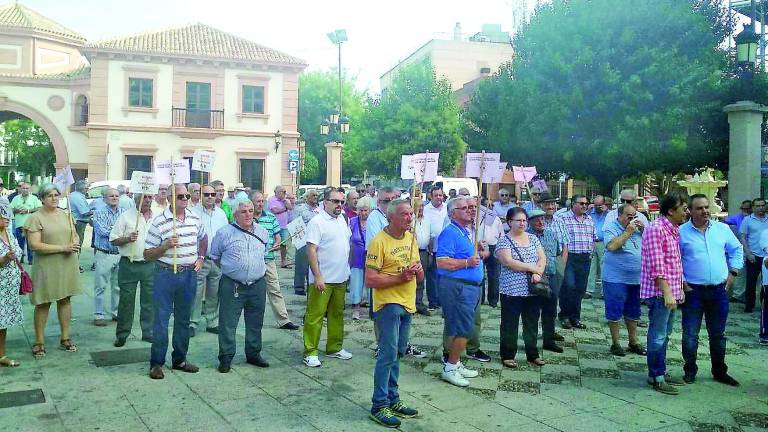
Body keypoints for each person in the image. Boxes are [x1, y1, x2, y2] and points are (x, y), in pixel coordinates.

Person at [366, 199, 422, 427]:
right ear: (391, 218)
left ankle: (393, 398)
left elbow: (420, 275)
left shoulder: (411, 238)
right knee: (387, 354)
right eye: (404, 214)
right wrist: (399, 277)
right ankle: (379, 404)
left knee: (398, 352)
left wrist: (418, 271)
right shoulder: (379, 241)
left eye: (411, 213)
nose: (410, 218)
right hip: (388, 304)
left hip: (408, 303)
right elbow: (370, 279)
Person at [144, 184, 207, 380]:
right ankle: (156, 363)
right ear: (170, 198)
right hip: (165, 274)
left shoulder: (195, 218)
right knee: (161, 320)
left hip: (188, 275)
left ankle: (179, 359)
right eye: (180, 196)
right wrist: (164, 246)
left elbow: (203, 238)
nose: (185, 199)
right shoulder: (159, 222)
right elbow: (147, 254)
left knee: (183, 319)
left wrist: (201, 258)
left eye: (187, 195)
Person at [679, 194, 743, 386]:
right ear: (690, 210)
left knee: (718, 334)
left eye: (707, 207)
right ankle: (690, 369)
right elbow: (674, 259)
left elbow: (736, 249)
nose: (705, 211)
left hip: (718, 291)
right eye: (699, 208)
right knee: (690, 334)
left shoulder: (722, 229)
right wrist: (682, 282)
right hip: (693, 291)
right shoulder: (681, 232)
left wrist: (733, 272)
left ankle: (719, 371)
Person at [210, 198, 271, 373]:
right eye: (243, 211)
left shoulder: (262, 232)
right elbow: (215, 256)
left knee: (255, 322)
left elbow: (264, 254)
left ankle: (253, 354)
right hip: (232, 285)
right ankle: (226, 357)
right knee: (228, 323)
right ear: (235, 214)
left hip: (257, 284)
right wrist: (232, 271)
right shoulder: (224, 233)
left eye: (251, 211)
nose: (248, 215)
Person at [25, 183, 82, 358]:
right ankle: (39, 341)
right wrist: (63, 247)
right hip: (47, 265)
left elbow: (74, 234)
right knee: (44, 302)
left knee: (65, 299)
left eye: (56, 195)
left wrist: (76, 241)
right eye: (49, 195)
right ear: (41, 198)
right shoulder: (35, 217)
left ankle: (65, 337)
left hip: (67, 263)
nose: (54, 198)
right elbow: (34, 245)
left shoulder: (66, 214)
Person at [641, 191, 688, 395]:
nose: (686, 211)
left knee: (665, 334)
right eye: (683, 208)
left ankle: (659, 371)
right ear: (671, 210)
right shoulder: (656, 229)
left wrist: (681, 288)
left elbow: (674, 263)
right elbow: (657, 266)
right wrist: (668, 293)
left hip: (671, 292)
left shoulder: (673, 229)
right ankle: (656, 376)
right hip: (660, 293)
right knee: (658, 335)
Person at [436, 197, 485, 387]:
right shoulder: (449, 232)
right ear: (452, 213)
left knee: (460, 325)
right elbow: (442, 262)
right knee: (463, 327)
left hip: (469, 287)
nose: (470, 210)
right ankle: (450, 367)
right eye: (464, 208)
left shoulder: (465, 231)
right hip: (458, 286)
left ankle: (455, 362)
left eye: (471, 207)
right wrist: (466, 263)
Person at [302, 188, 353, 367]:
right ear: (326, 202)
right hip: (323, 278)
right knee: (315, 315)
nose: (339, 205)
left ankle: (334, 347)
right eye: (336, 201)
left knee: (337, 314)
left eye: (342, 201)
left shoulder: (342, 219)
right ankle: (310, 351)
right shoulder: (317, 222)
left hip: (340, 277)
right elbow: (311, 249)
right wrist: (317, 276)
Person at [495, 207, 547, 369]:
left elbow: (542, 258)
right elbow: (509, 262)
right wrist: (533, 268)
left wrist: (538, 272)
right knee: (509, 323)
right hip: (511, 290)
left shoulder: (533, 238)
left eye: (524, 220)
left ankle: (533, 354)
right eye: (518, 220)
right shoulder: (504, 241)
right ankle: (508, 355)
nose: (522, 223)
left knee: (531, 323)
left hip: (533, 289)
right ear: (510, 222)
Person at [110, 193, 155, 347]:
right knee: (126, 301)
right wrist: (127, 238)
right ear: (136, 199)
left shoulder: (157, 217)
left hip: (150, 264)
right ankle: (122, 334)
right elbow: (114, 239)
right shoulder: (125, 216)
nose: (148, 200)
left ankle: (148, 332)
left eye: (150, 197)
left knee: (149, 301)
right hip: (129, 263)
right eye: (144, 197)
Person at [602, 204, 646, 357]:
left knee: (633, 311)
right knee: (614, 310)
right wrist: (628, 231)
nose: (633, 219)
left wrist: (644, 230)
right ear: (619, 215)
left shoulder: (639, 228)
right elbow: (612, 246)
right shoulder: (611, 227)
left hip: (635, 278)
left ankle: (633, 341)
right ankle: (615, 343)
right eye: (629, 216)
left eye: (635, 216)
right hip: (615, 278)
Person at [251, 191, 299, 330]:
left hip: (268, 260)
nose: (260, 204)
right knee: (252, 293)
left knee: (275, 290)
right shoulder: (247, 217)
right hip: (251, 262)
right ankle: (253, 320)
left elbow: (277, 236)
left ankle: (284, 320)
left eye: (262, 201)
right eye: (257, 201)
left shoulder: (271, 218)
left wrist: (277, 243)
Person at [189, 185, 228, 336]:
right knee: (196, 292)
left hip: (217, 260)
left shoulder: (221, 214)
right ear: (201, 195)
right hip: (199, 259)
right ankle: (193, 322)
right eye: (206, 194)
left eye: (213, 194)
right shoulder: (193, 213)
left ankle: (212, 321)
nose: (210, 197)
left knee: (214, 292)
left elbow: (225, 234)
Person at [555, 194, 597, 329]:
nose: (584, 206)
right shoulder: (562, 218)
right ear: (573, 204)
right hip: (569, 257)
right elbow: (559, 238)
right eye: (581, 203)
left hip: (584, 258)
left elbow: (593, 237)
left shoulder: (589, 219)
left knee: (580, 289)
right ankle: (564, 316)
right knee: (569, 286)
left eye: (586, 203)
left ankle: (575, 317)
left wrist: (591, 253)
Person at [528, 208, 565, 353]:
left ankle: (549, 340)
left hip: (551, 275)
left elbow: (556, 252)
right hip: (533, 277)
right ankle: (530, 343)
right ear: (529, 222)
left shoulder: (551, 234)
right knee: (532, 311)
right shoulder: (527, 236)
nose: (540, 221)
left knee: (550, 310)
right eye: (536, 219)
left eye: (542, 218)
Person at [91, 188, 124, 325]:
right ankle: (98, 315)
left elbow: (130, 229)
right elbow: (102, 231)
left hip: (120, 254)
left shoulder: (124, 213)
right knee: (100, 286)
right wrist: (120, 232)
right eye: (111, 196)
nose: (114, 198)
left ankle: (116, 313)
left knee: (117, 286)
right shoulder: (98, 213)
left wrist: (117, 232)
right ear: (104, 198)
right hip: (104, 254)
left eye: (117, 195)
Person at [0, 202, 23, 367]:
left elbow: (18, 252)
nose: (7, 217)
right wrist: (4, 259)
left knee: (3, 322)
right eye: (3, 214)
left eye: (8, 214)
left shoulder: (8, 232)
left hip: (8, 287)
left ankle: (1, 355)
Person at [739, 198, 768, 313]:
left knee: (765, 282)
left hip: (767, 257)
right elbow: (743, 238)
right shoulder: (747, 220)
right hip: (754, 255)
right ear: (753, 207)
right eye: (758, 206)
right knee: (751, 282)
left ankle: (764, 304)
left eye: (762, 205)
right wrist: (748, 253)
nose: (760, 208)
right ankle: (749, 305)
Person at [423, 186, 447, 311]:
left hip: (446, 249)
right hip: (432, 248)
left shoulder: (448, 208)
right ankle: (433, 301)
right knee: (432, 276)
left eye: (440, 195)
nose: (439, 198)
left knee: (443, 276)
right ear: (430, 196)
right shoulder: (426, 210)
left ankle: (443, 300)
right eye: (436, 195)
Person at [293, 189, 321, 295]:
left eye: (317, 195)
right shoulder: (300, 209)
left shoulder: (319, 209)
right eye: (313, 195)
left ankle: (312, 285)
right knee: (301, 264)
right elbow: (295, 224)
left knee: (314, 263)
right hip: (303, 239)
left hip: (316, 240)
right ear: (307, 197)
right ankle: (299, 287)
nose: (315, 197)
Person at [349, 196, 371, 320]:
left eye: (365, 210)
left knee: (370, 284)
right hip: (356, 257)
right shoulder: (352, 221)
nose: (363, 213)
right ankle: (356, 309)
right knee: (356, 284)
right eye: (361, 210)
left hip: (371, 258)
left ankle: (372, 309)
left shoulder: (373, 222)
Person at [478, 202, 504, 307]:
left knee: (494, 275)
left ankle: (493, 300)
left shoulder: (496, 219)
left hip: (494, 247)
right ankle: (480, 299)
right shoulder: (476, 219)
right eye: (486, 206)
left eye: (491, 206)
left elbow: (501, 234)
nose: (489, 208)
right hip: (479, 247)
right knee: (480, 274)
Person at [10, 182, 41, 264]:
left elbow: (39, 208)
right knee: (20, 244)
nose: (25, 190)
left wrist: (27, 211)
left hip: (30, 225)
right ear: (20, 189)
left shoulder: (34, 198)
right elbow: (10, 209)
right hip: (19, 225)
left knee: (30, 244)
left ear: (29, 189)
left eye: (27, 188)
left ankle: (31, 260)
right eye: (23, 188)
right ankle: (20, 259)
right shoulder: (16, 198)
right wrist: (17, 210)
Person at [586, 195, 608, 299]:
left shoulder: (608, 214)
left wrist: (606, 211)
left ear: (604, 204)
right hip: (591, 241)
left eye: (600, 205)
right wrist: (588, 210)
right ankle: (589, 290)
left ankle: (604, 291)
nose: (597, 207)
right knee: (591, 266)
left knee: (604, 266)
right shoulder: (590, 212)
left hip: (603, 242)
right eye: (596, 205)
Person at [267, 185, 294, 268]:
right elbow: (275, 210)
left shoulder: (284, 200)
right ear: (277, 192)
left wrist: (285, 201)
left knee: (284, 244)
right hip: (273, 225)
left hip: (283, 225)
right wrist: (284, 209)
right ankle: (269, 260)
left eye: (285, 192)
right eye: (283, 192)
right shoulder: (271, 199)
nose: (285, 193)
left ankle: (283, 261)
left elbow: (290, 208)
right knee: (271, 242)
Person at [69, 180, 92, 272]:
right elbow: (85, 212)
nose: (87, 190)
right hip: (78, 222)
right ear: (83, 188)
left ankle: (74, 264)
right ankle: (75, 266)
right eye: (87, 188)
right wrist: (95, 211)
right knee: (77, 244)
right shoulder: (77, 197)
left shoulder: (73, 195)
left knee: (75, 243)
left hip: (76, 221)